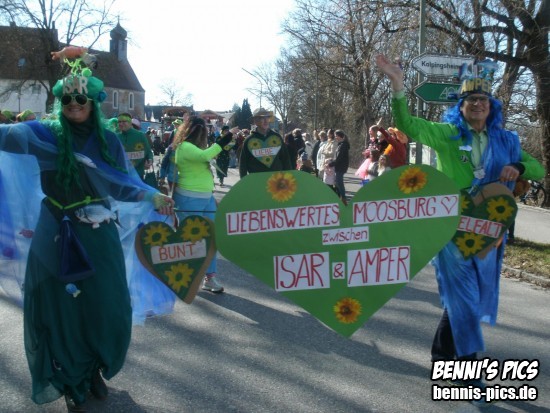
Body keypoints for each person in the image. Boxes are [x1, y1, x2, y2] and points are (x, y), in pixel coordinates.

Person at [0, 51, 174, 412]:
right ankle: (71, 378)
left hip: (97, 233)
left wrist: (153, 195)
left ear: (93, 102)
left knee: (108, 305)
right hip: (55, 231)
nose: (74, 104)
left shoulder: (108, 141)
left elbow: (123, 185)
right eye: (67, 99)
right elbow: (4, 137)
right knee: (61, 310)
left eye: (81, 98)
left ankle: (94, 368)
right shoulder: (43, 134)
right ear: (60, 102)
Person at [376, 54, 544, 404]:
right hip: (452, 226)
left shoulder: (507, 140)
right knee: (465, 296)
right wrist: (397, 84)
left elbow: (539, 169)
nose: (477, 104)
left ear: (491, 106)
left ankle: (441, 356)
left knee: (469, 297)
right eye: (470, 100)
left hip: (489, 231)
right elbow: (407, 123)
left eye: (483, 100)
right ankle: (468, 371)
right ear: (461, 107)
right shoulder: (447, 135)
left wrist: (517, 166)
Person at [172, 116, 235, 293]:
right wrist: (228, 136)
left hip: (205, 198)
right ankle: (185, 277)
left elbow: (204, 159)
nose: (203, 134)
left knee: (211, 238)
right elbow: (205, 156)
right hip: (189, 198)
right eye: (202, 130)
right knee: (192, 240)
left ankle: (209, 277)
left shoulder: (193, 147)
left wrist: (211, 196)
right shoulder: (184, 147)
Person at [239, 108, 292, 177]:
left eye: (267, 117)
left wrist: (288, 177)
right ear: (255, 121)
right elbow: (243, 163)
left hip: (276, 179)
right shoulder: (249, 140)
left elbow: (286, 159)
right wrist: (244, 180)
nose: (266, 120)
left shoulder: (276, 137)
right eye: (262, 118)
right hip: (257, 179)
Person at [117, 112, 154, 181]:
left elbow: (148, 151)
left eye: (124, 121)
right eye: (119, 122)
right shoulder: (116, 137)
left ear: (130, 123)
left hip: (138, 175)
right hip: (121, 175)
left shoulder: (140, 136)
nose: (121, 124)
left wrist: (150, 160)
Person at [328, 129, 350, 204]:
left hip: (341, 167)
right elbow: (337, 157)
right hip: (339, 166)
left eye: (336, 136)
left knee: (339, 182)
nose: (335, 137)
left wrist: (330, 164)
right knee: (337, 183)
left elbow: (339, 158)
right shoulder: (340, 144)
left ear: (341, 136)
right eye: (335, 136)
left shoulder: (343, 145)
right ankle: (340, 197)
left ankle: (343, 199)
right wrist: (331, 160)